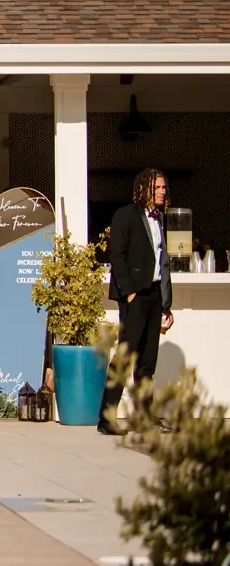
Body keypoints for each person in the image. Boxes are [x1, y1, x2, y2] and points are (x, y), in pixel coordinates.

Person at [101, 167, 176, 434]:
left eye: (164, 187)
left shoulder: (158, 219)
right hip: (134, 296)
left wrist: (166, 304)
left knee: (147, 361)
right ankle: (107, 418)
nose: (162, 191)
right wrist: (130, 293)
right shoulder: (125, 215)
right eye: (157, 187)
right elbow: (117, 256)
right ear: (143, 187)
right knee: (125, 356)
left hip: (154, 295)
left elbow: (161, 262)